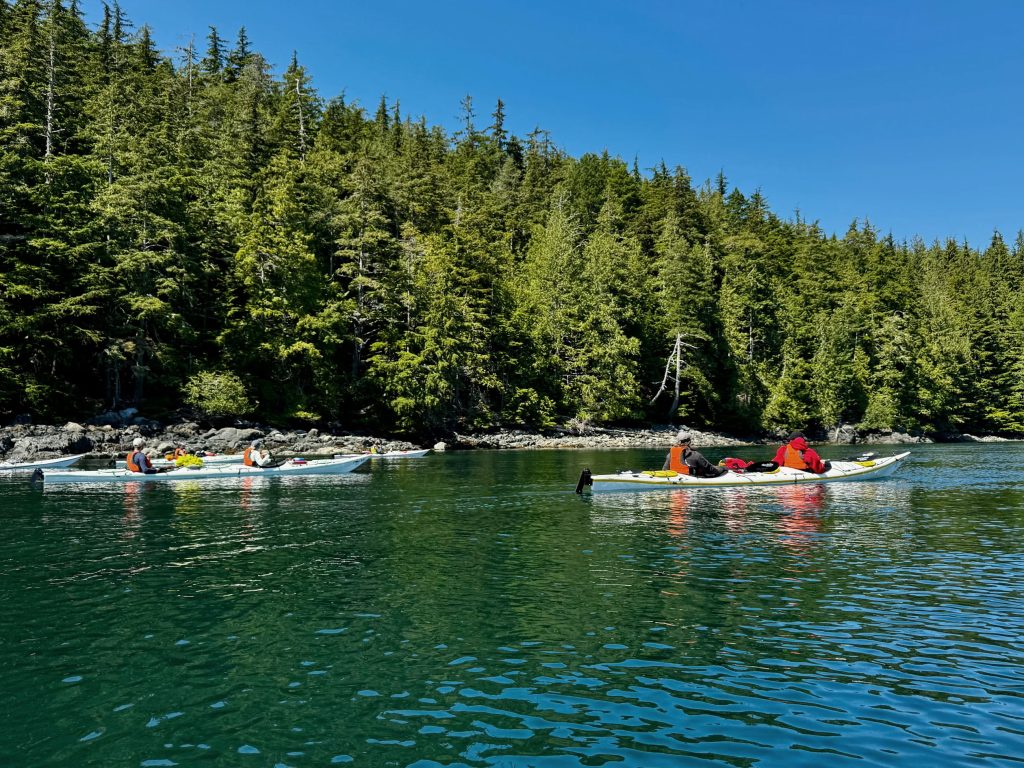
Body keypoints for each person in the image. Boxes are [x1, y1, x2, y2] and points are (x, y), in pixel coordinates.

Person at [662, 431, 727, 478]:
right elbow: (710, 470)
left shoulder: (670, 454)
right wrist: (723, 468)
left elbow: (664, 470)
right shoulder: (696, 455)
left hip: (676, 477)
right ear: (689, 442)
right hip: (690, 479)